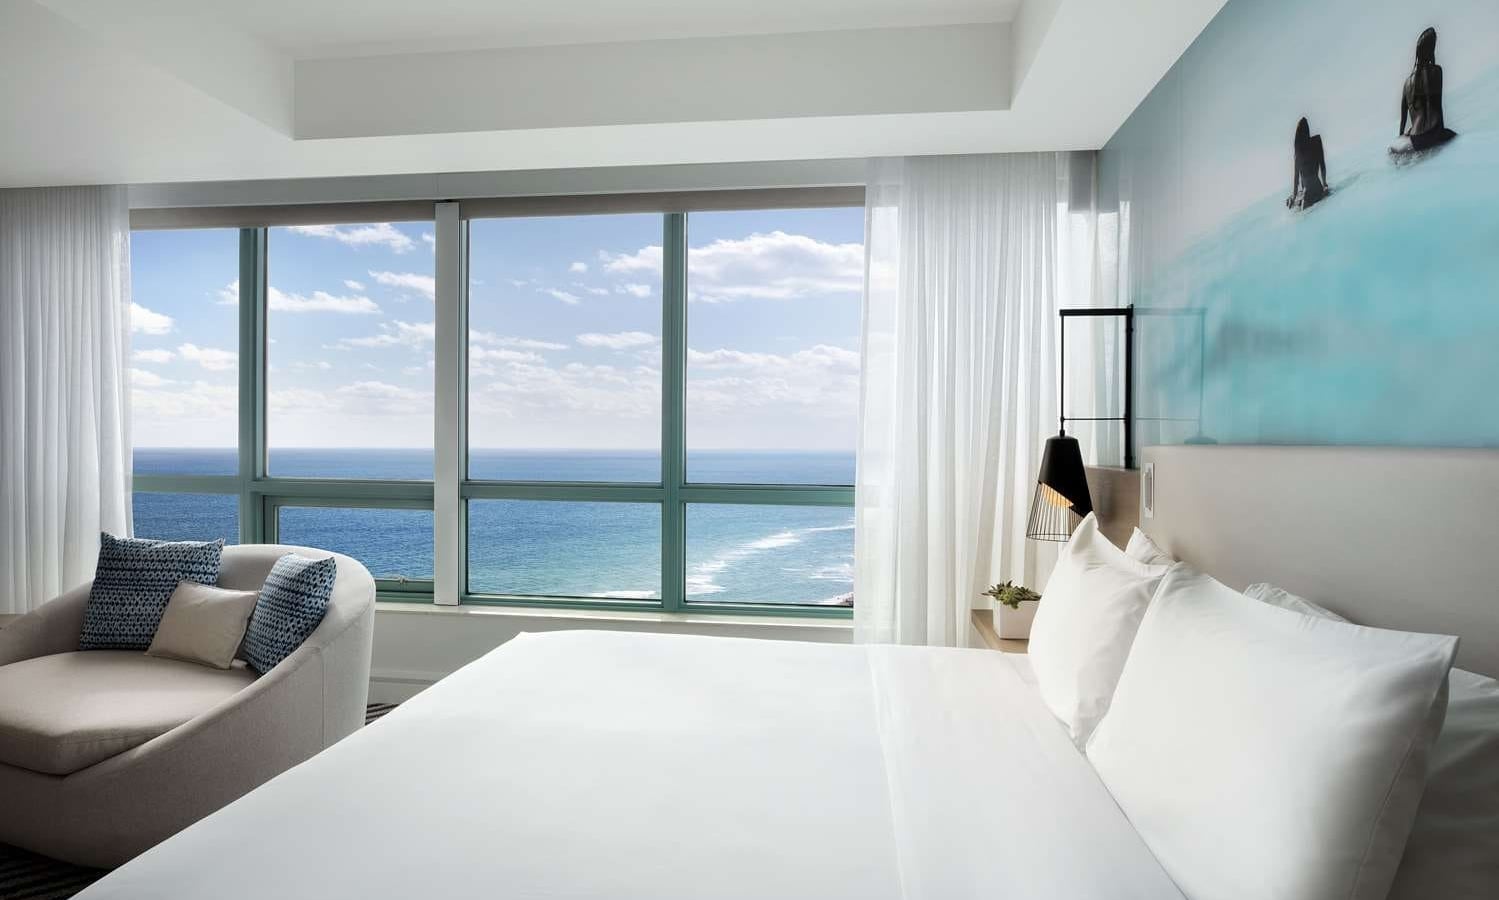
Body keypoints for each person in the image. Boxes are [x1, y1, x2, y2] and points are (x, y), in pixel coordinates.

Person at [1393, 26, 1458, 154]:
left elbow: (1403, 121)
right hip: (1434, 134)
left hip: (1416, 140)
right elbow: (1438, 108)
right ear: (1432, 49)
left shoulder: (1407, 83)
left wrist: (1402, 139)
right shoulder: (1437, 71)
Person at [1286, 117, 1330, 210]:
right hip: (1318, 189)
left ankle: (1295, 199)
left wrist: (1294, 196)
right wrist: (1325, 184)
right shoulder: (1316, 141)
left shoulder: (1298, 152)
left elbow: (1296, 178)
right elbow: (1322, 166)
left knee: (1298, 203)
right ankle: (1296, 198)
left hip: (1307, 193)